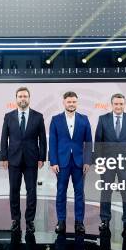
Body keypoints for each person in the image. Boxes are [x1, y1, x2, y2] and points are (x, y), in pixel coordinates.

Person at [0, 87, 47, 234]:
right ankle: (15, 219)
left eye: (25, 96)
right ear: (16, 99)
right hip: (13, 159)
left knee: (31, 191)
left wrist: (42, 157)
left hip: (32, 159)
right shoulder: (8, 116)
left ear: (29, 98)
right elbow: (4, 138)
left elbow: (42, 139)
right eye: (20, 96)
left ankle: (30, 220)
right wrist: (4, 157)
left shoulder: (38, 116)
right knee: (14, 190)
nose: (22, 99)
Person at [94, 93, 126, 237]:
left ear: (124, 105)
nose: (118, 106)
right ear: (112, 104)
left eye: (121, 104)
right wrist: (99, 162)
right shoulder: (103, 119)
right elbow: (98, 142)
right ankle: (105, 220)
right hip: (107, 163)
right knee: (106, 192)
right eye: (116, 104)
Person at [49, 91, 92, 234]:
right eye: (69, 102)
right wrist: (53, 161)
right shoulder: (55, 120)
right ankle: (61, 221)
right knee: (61, 192)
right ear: (64, 102)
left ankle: (79, 222)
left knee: (79, 193)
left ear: (77, 103)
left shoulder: (84, 119)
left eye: (74, 102)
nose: (71, 104)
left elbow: (88, 142)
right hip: (61, 163)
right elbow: (53, 142)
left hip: (80, 163)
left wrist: (87, 161)